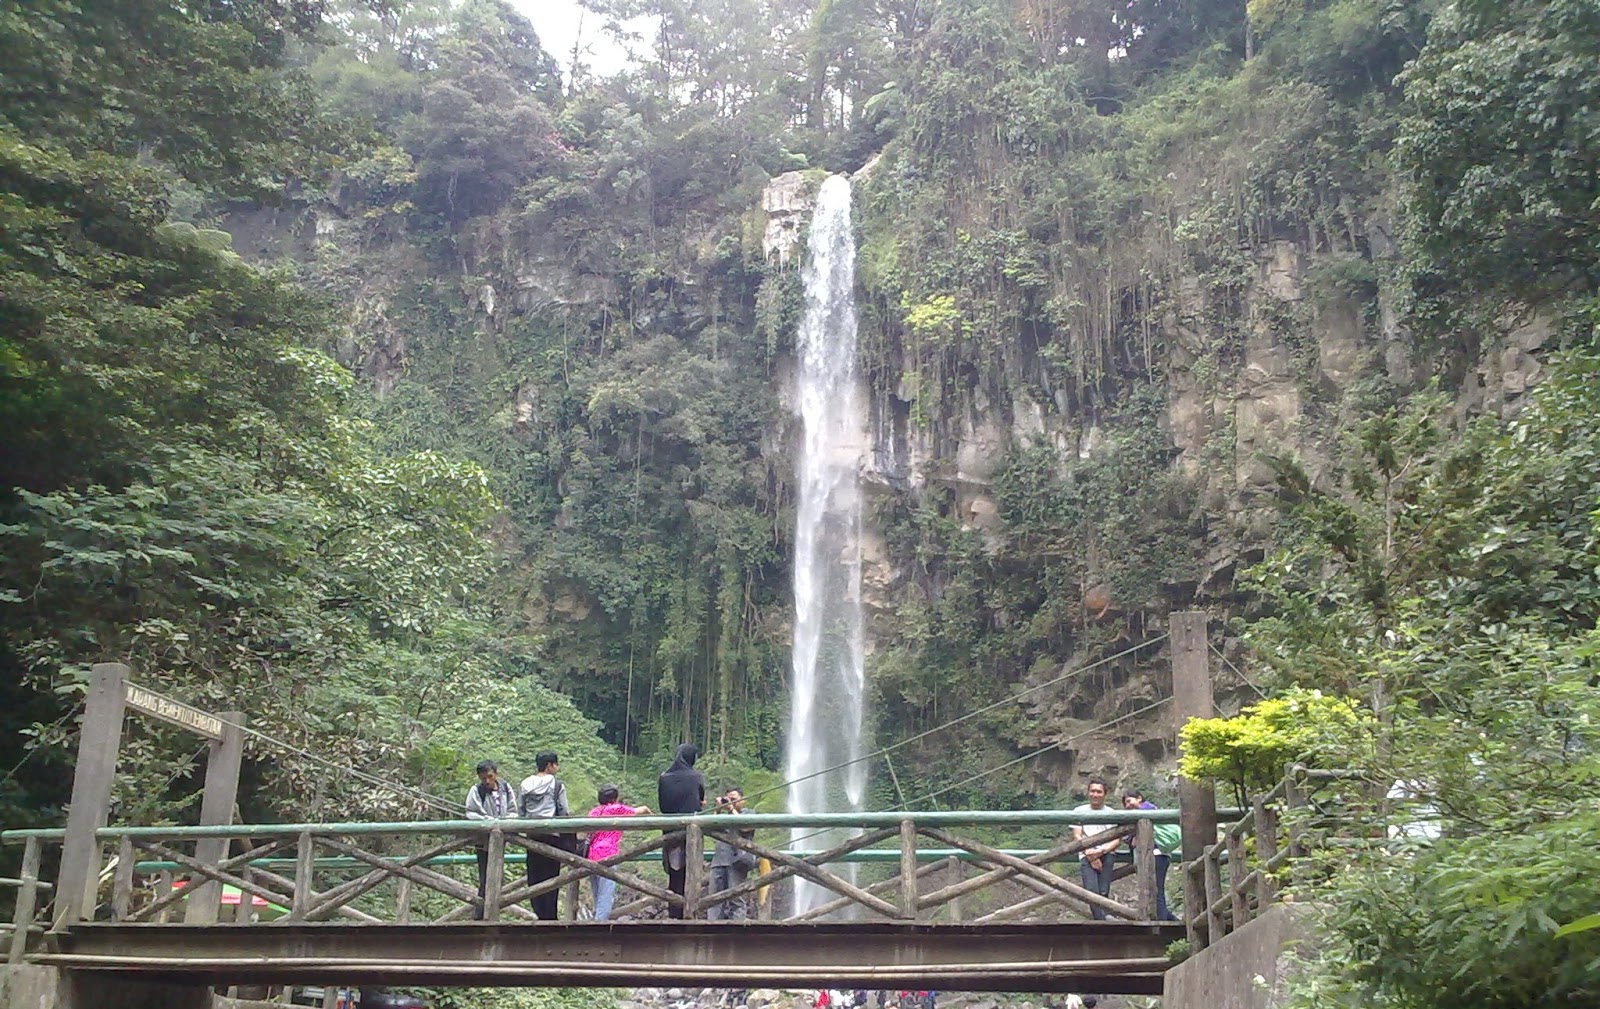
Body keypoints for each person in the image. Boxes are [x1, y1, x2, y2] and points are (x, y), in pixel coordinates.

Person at [519, 751, 572, 920]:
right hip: (552, 835)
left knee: (534, 876)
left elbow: (521, 810)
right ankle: (550, 917)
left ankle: (539, 914)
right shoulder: (557, 785)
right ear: (549, 765)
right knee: (551, 878)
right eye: (556, 764)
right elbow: (563, 810)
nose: (557, 767)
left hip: (532, 836)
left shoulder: (525, 784)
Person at [586, 784, 650, 921]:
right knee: (606, 893)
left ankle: (596, 921)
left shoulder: (594, 812)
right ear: (615, 798)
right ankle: (599, 926)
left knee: (597, 893)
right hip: (609, 854)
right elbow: (643, 809)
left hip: (591, 855)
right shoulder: (616, 809)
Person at [464, 760, 517, 920]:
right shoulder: (476, 791)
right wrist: (488, 821)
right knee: (484, 878)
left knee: (496, 877)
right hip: (483, 842)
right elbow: (471, 813)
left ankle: (489, 913)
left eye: (489, 777)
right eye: (483, 778)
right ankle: (481, 916)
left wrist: (504, 821)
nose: (487, 781)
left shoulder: (506, 788)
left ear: (496, 774)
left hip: (501, 841)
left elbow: (514, 810)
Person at [657, 742, 706, 918]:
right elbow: (699, 801)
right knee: (690, 871)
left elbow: (663, 806)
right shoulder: (696, 777)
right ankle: (689, 912)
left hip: (670, 832)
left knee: (674, 873)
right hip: (691, 832)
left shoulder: (664, 777)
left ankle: (674, 913)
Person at [1123, 788, 1180, 921]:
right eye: (1125, 803)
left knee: (1155, 890)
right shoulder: (1151, 810)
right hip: (1161, 854)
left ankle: (1162, 921)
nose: (1127, 805)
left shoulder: (1145, 811)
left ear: (1139, 798)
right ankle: (1171, 920)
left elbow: (1131, 839)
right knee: (1156, 889)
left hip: (1156, 854)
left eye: (1129, 801)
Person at [1071, 777, 1123, 920]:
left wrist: (1101, 852)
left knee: (1103, 890)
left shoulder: (1112, 813)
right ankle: (1103, 921)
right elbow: (1077, 835)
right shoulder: (1079, 811)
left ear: (1105, 794)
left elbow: (1117, 839)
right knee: (1091, 891)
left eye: (1099, 792)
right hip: (1086, 853)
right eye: (1092, 791)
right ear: (1088, 792)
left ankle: (1102, 921)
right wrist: (1089, 854)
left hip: (1106, 854)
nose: (1095, 794)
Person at [707, 787, 758, 921]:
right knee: (714, 899)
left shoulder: (749, 813)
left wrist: (731, 809)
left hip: (737, 861)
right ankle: (713, 928)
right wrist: (718, 809)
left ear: (743, 800)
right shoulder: (723, 816)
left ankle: (737, 929)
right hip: (718, 861)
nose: (731, 802)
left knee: (736, 898)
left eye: (734, 799)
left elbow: (745, 826)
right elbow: (708, 827)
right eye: (728, 799)